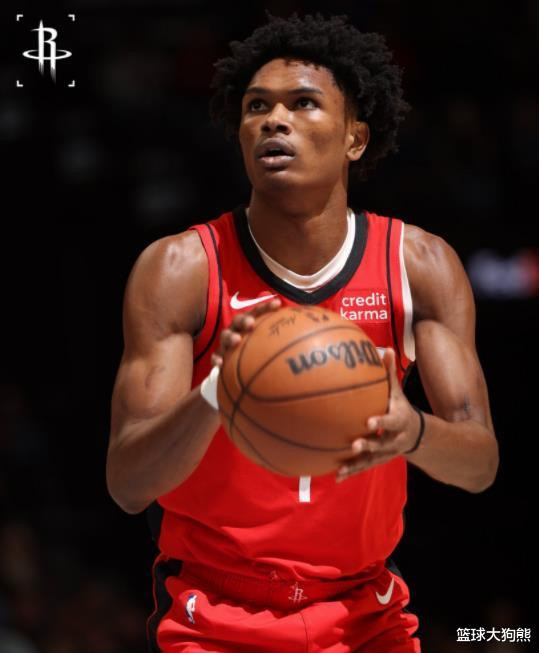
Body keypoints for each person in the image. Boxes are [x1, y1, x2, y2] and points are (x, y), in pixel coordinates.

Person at [106, 13, 499, 653]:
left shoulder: (418, 265)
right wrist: (216, 392)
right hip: (215, 611)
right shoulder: (180, 268)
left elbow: (480, 463)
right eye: (256, 106)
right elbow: (128, 484)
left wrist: (414, 433)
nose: (273, 120)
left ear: (355, 138)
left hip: (364, 611)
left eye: (303, 103)